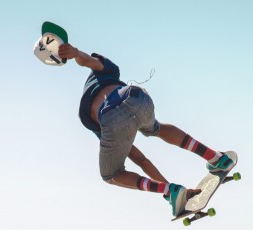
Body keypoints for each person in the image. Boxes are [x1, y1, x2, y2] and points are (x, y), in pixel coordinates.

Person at [57, 42, 236, 217]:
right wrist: (77, 54)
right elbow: (90, 61)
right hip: (136, 96)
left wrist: (168, 190)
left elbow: (140, 160)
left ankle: (169, 190)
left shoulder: (88, 116)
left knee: (111, 175)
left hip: (109, 117)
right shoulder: (110, 71)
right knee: (156, 128)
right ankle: (217, 158)